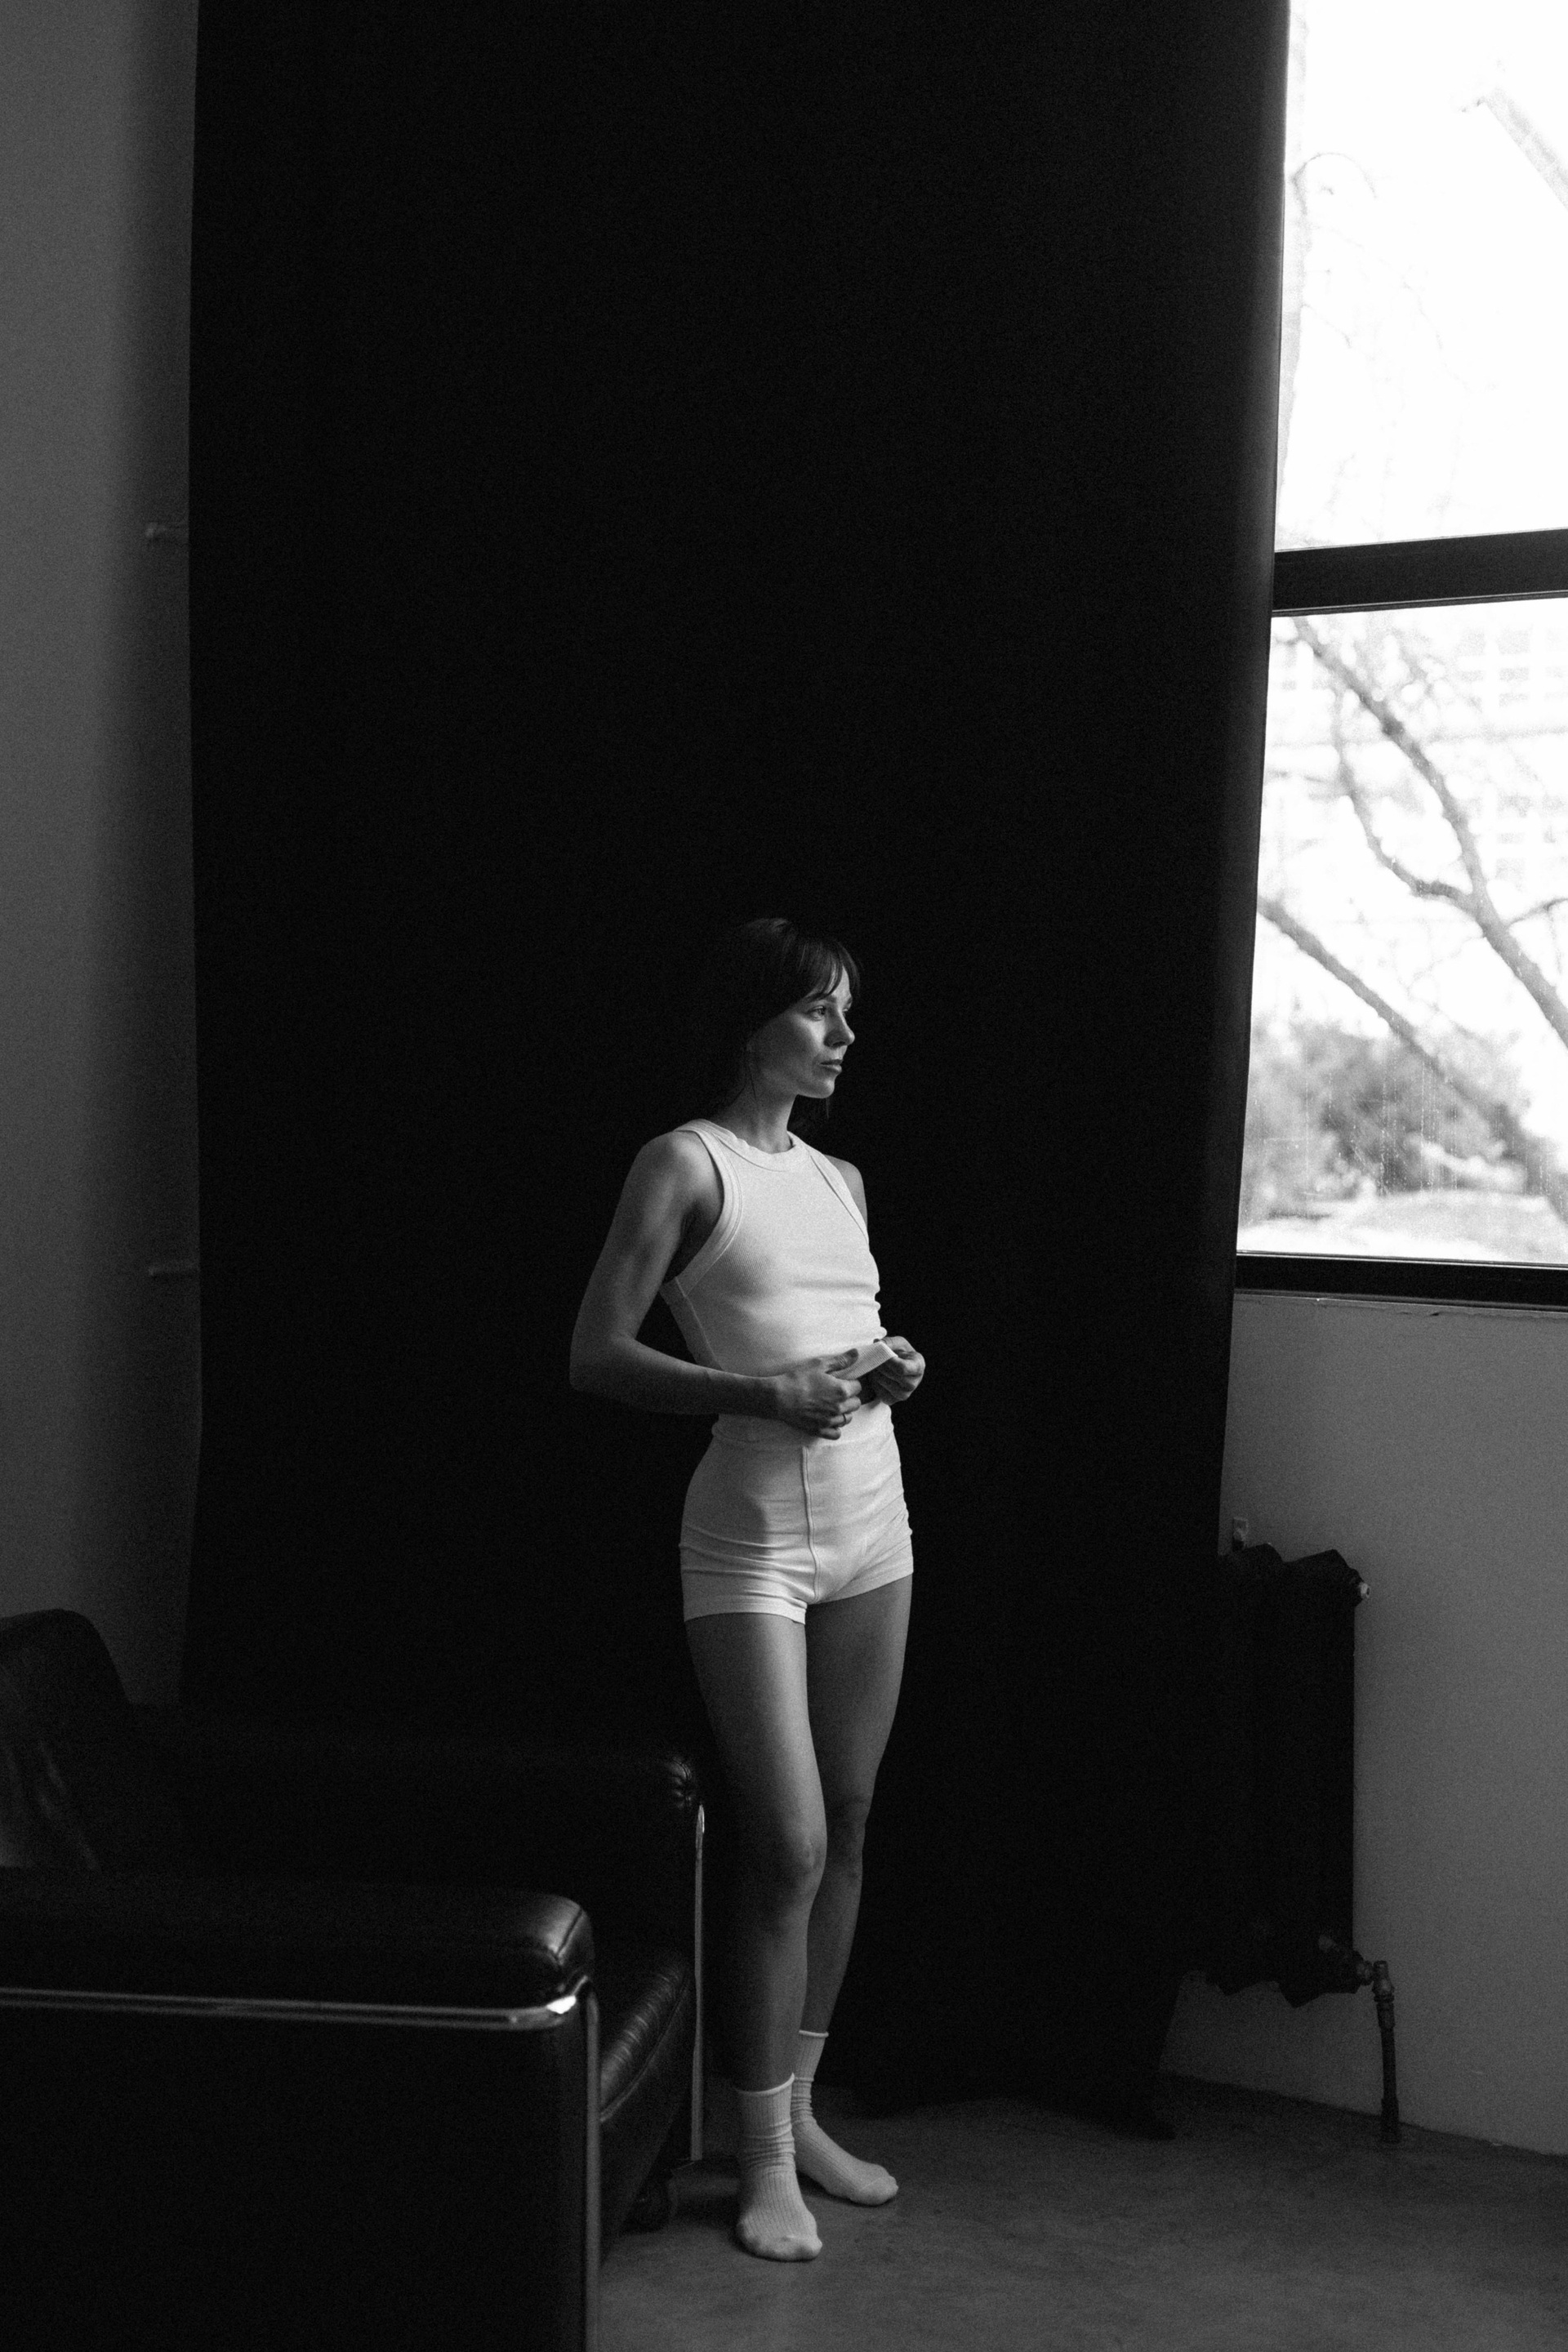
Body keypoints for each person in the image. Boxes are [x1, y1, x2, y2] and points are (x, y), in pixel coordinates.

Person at [568, 915, 925, 2263]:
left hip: (876, 1523)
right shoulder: (684, 1162)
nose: (844, 1036)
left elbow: (834, 1338)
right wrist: (761, 1393)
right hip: (751, 1538)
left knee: (852, 1819)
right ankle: (759, 2156)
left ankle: (802, 2114)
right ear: (751, 1021)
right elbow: (596, 1353)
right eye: (820, 1011)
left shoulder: (843, 1180)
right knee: (787, 1843)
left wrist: (885, 1366)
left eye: (846, 1012)